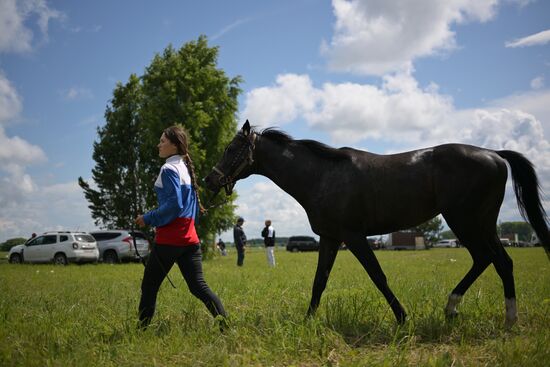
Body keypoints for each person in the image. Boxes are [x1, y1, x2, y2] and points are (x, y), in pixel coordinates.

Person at [135, 125, 226, 329]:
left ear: (174, 146)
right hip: (190, 240)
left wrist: (147, 218)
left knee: (149, 286)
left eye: (162, 141)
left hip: (169, 241)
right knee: (199, 287)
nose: (158, 145)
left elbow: (174, 205)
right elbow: (188, 209)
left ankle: (141, 331)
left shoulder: (168, 169)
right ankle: (226, 325)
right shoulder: (185, 168)